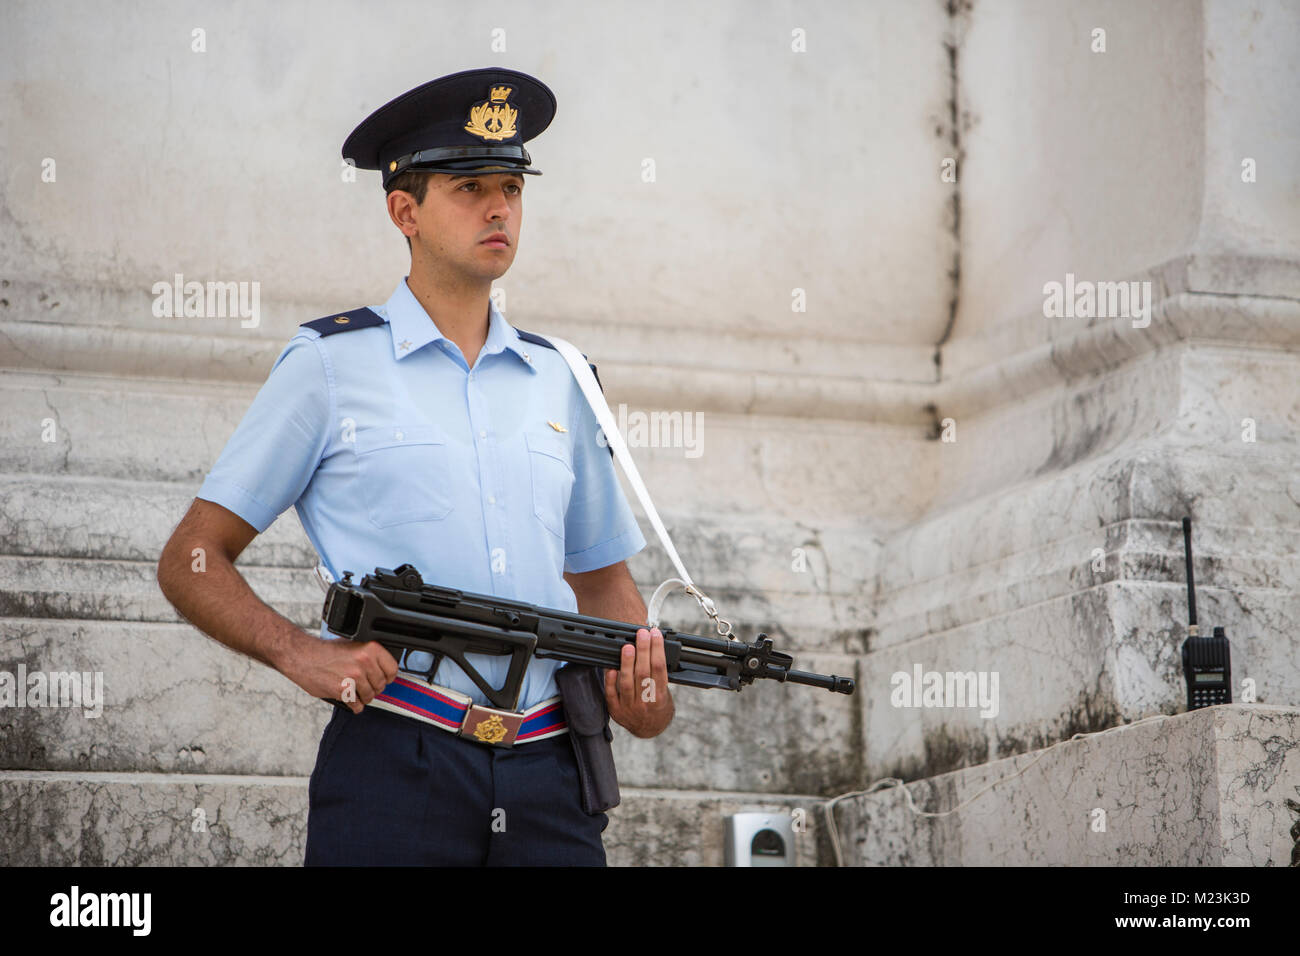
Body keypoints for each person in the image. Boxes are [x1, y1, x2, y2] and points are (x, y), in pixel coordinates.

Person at [156, 67, 674, 866]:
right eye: (470, 188)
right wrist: (301, 652)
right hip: (400, 764)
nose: (500, 207)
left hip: (551, 774)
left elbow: (601, 584)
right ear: (405, 210)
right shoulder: (329, 364)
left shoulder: (564, 379)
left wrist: (644, 694)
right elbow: (192, 557)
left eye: (511, 186)